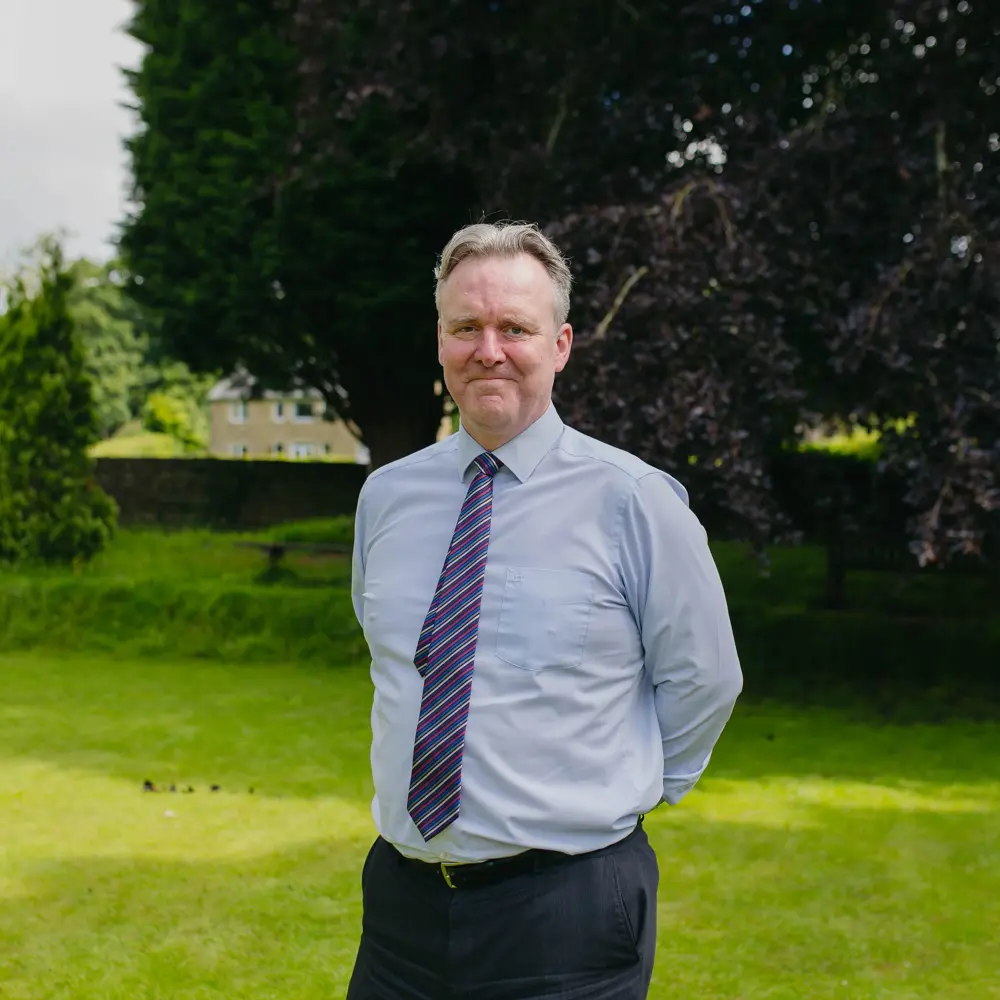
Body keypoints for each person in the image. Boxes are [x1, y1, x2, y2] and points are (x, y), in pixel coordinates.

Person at [346, 221, 743, 1000]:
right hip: (402, 905)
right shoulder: (386, 497)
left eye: (514, 328)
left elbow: (705, 678)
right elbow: (391, 655)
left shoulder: (634, 502)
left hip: (569, 912)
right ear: (440, 341)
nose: (488, 349)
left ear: (559, 344)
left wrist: (633, 788)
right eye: (466, 327)